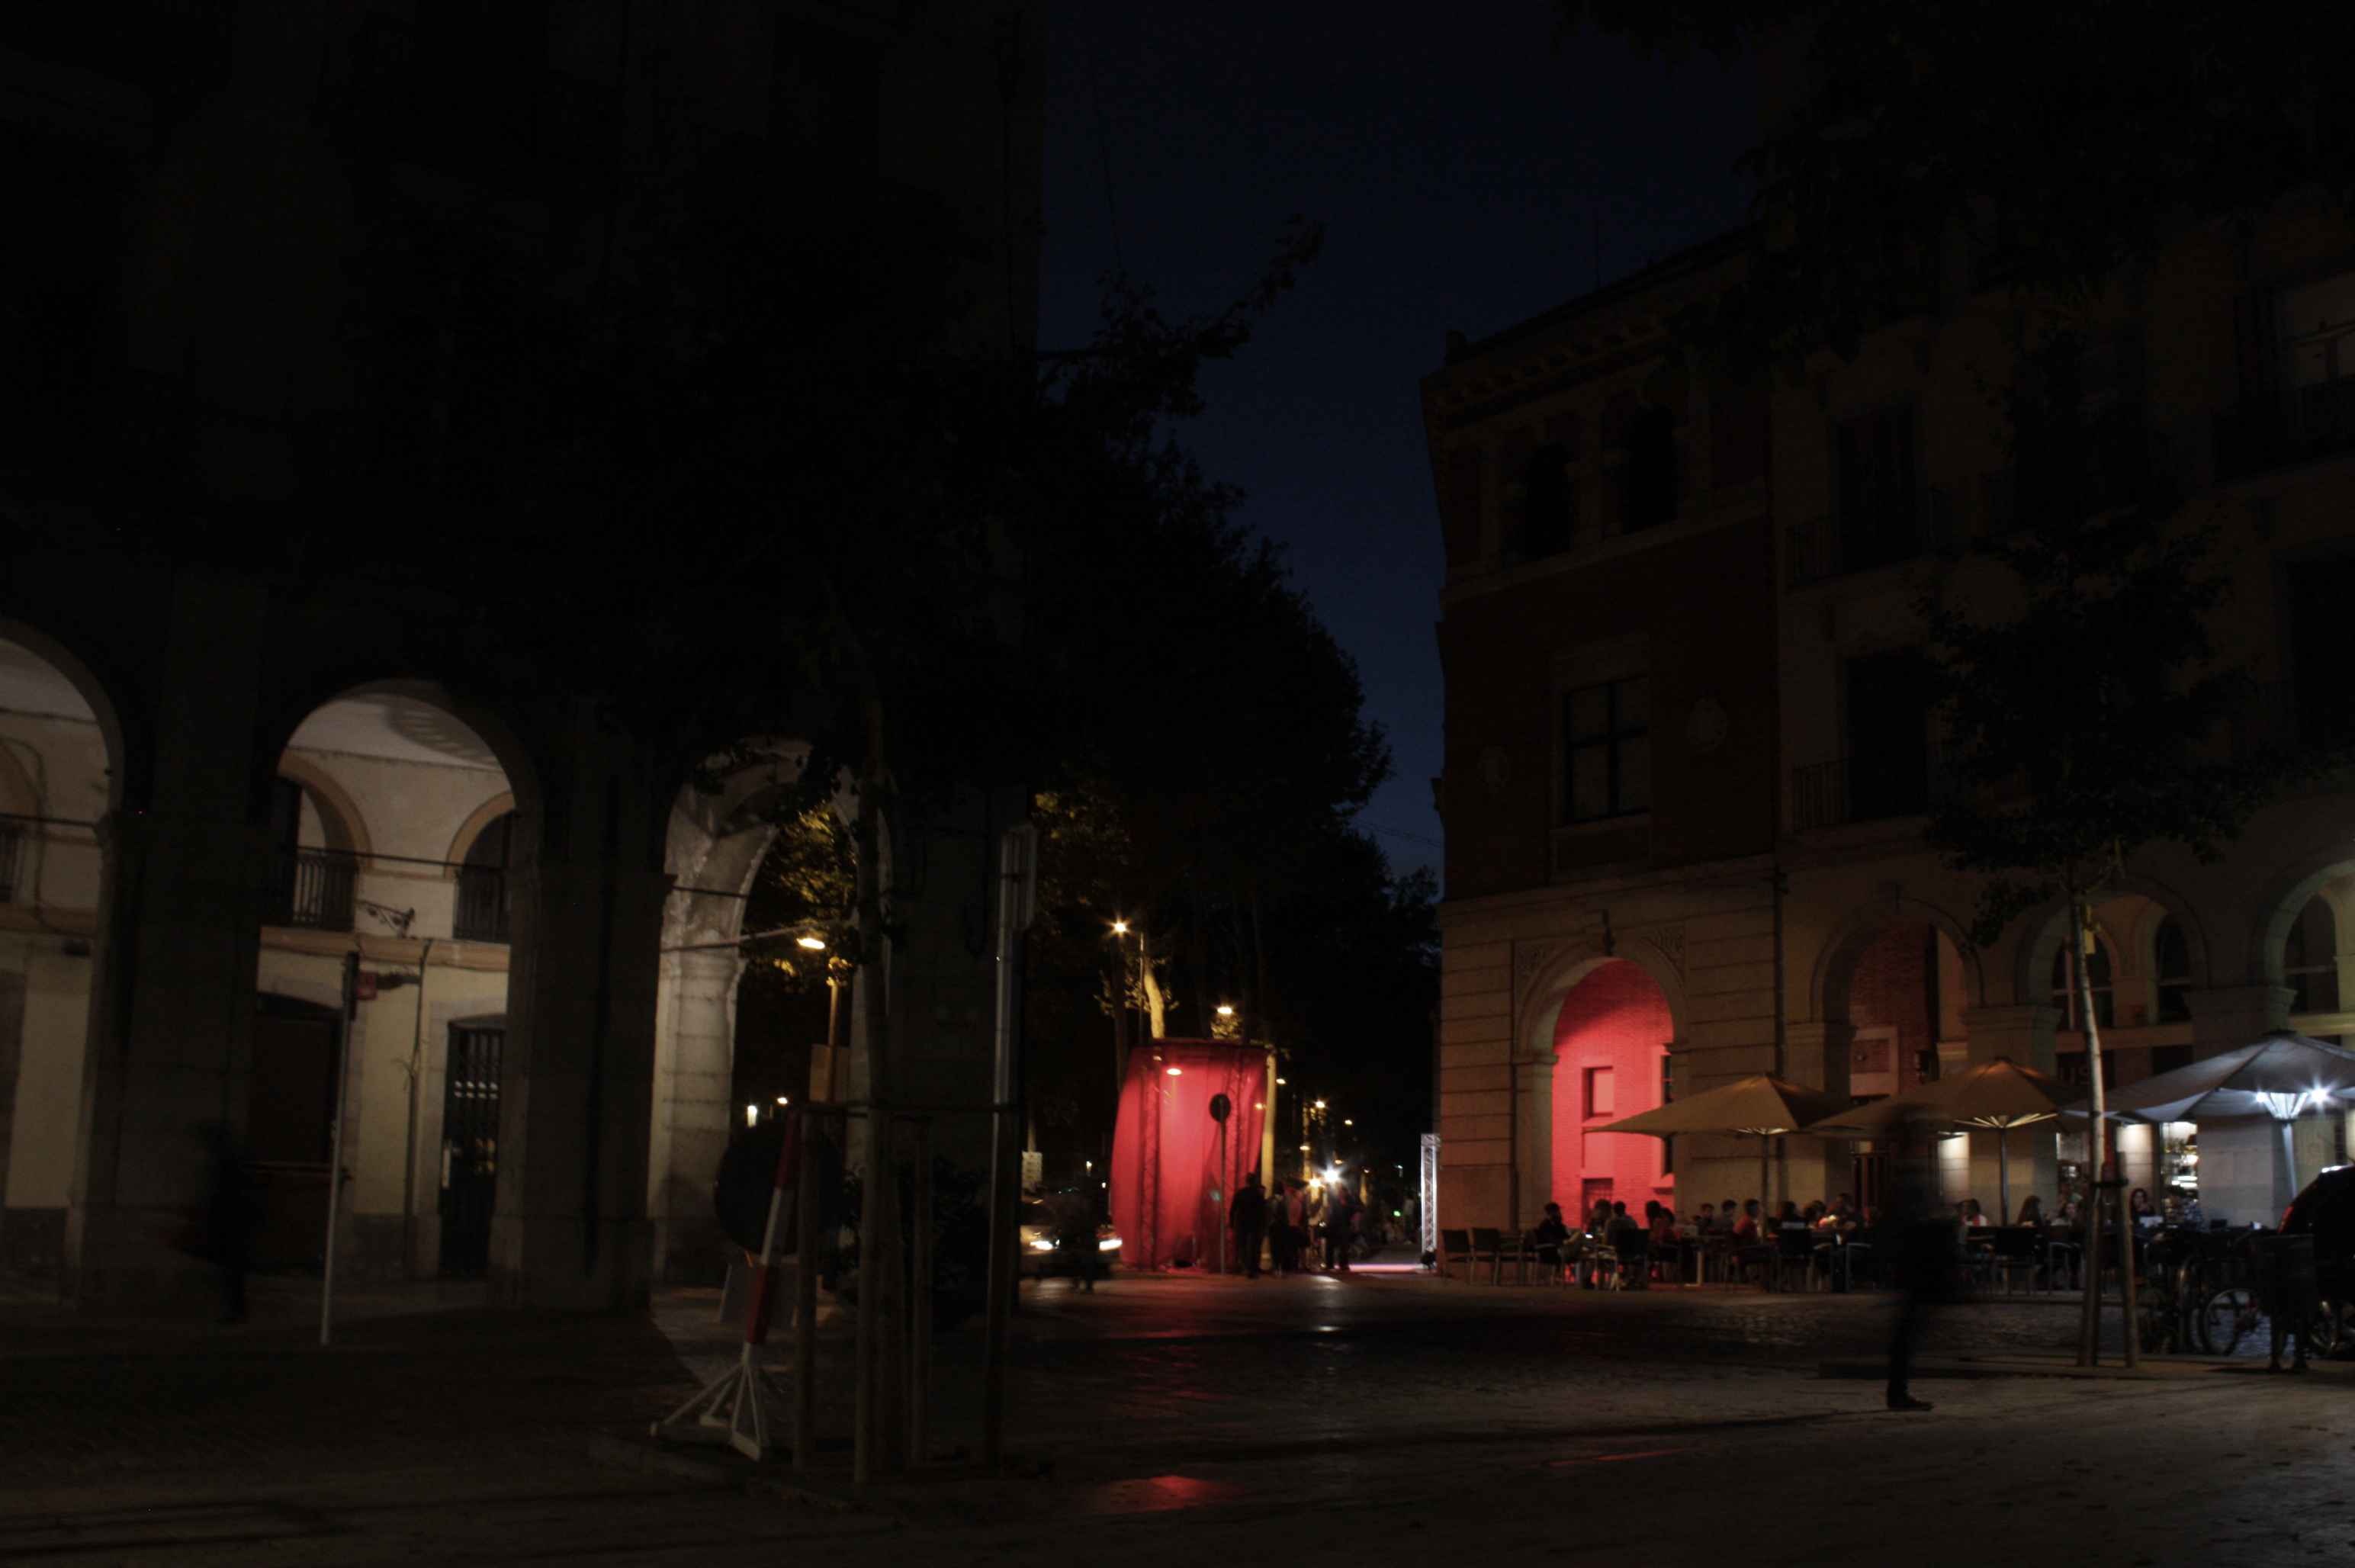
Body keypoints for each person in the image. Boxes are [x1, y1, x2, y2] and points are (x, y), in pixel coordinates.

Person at [1883, 1147, 1959, 1412]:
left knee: (1906, 1334)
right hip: (1918, 1275)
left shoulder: (1902, 1205)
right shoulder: (1913, 1206)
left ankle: (1897, 1389)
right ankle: (1897, 1391)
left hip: (1912, 1275)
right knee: (1906, 1335)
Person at [1229, 1172, 1268, 1279]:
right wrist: (1262, 1225)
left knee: (1242, 1245)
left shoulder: (1240, 1193)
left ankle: (1244, 1266)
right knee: (1252, 1246)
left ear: (1246, 1181)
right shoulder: (1258, 1194)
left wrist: (1232, 1223)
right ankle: (1250, 1269)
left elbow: (1233, 1209)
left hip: (1241, 1223)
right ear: (1255, 1181)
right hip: (1254, 1224)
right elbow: (1263, 1212)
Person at [1271, 1178, 1308, 1274]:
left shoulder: (1286, 1199)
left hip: (1287, 1225)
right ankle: (1288, 1265)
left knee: (1282, 1247)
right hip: (1290, 1225)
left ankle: (1281, 1266)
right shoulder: (1293, 1199)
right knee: (1288, 1248)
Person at [1533, 1201, 1572, 1277]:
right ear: (1551, 1212)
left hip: (1561, 1248)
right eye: (1558, 1211)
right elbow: (1550, 1238)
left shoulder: (1558, 1224)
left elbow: (1566, 1236)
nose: (1559, 1213)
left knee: (1578, 1238)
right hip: (1550, 1251)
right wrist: (1562, 1241)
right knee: (1580, 1237)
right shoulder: (1544, 1225)